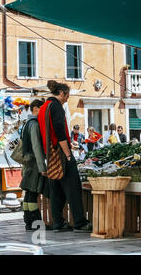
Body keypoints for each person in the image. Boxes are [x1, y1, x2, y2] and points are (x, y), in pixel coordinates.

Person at [37, 80, 92, 233]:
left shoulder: (43, 108)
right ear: (61, 93)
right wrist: (68, 154)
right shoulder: (56, 107)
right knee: (73, 188)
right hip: (60, 153)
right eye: (67, 95)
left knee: (56, 190)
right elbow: (60, 133)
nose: (67, 98)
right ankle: (80, 222)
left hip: (50, 153)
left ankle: (58, 223)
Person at [19, 99, 50, 231]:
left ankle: (28, 222)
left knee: (28, 194)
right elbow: (37, 147)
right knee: (32, 194)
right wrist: (42, 167)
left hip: (28, 164)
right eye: (42, 109)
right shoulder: (35, 124)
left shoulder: (27, 123)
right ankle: (37, 224)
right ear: (36, 108)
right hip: (34, 164)